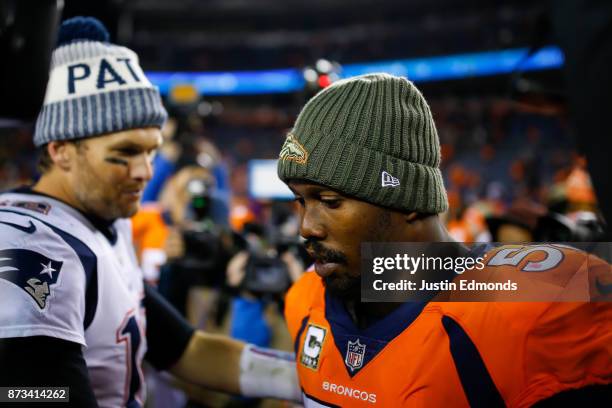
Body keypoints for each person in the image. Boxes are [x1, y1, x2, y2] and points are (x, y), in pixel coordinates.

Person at [0, 17, 299, 407]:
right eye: (123, 154)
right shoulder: (30, 244)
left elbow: (187, 350)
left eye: (151, 150)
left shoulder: (105, 222)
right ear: (61, 150)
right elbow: (33, 394)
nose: (144, 171)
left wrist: (317, 381)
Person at [277, 73, 612, 406]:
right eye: (300, 200)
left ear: (405, 198)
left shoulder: (524, 305)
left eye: (330, 201)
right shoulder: (308, 297)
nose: (306, 227)